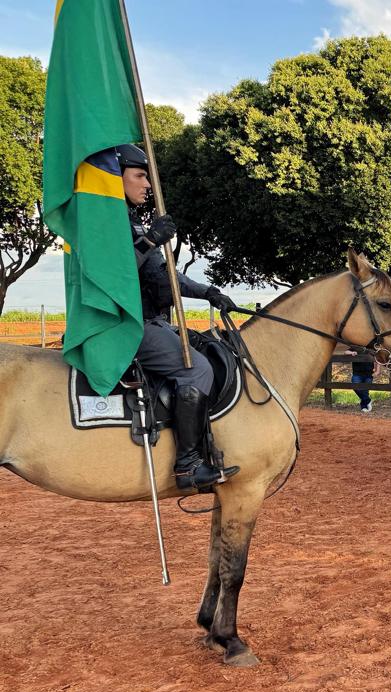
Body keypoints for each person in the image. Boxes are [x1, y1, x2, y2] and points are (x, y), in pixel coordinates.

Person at [118, 143, 239, 491]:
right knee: (196, 368)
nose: (147, 184)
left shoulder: (133, 226)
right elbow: (113, 275)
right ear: (116, 176)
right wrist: (150, 241)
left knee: (202, 346)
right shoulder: (110, 226)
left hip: (152, 320)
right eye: (140, 175)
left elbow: (165, 277)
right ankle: (187, 465)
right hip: (129, 325)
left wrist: (209, 292)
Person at [346, 346, 374, 412]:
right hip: (357, 373)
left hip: (368, 373)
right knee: (355, 386)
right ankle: (368, 400)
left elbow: (377, 357)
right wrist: (351, 353)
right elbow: (345, 352)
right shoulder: (356, 346)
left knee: (365, 391)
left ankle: (364, 407)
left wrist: (377, 370)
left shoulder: (371, 347)